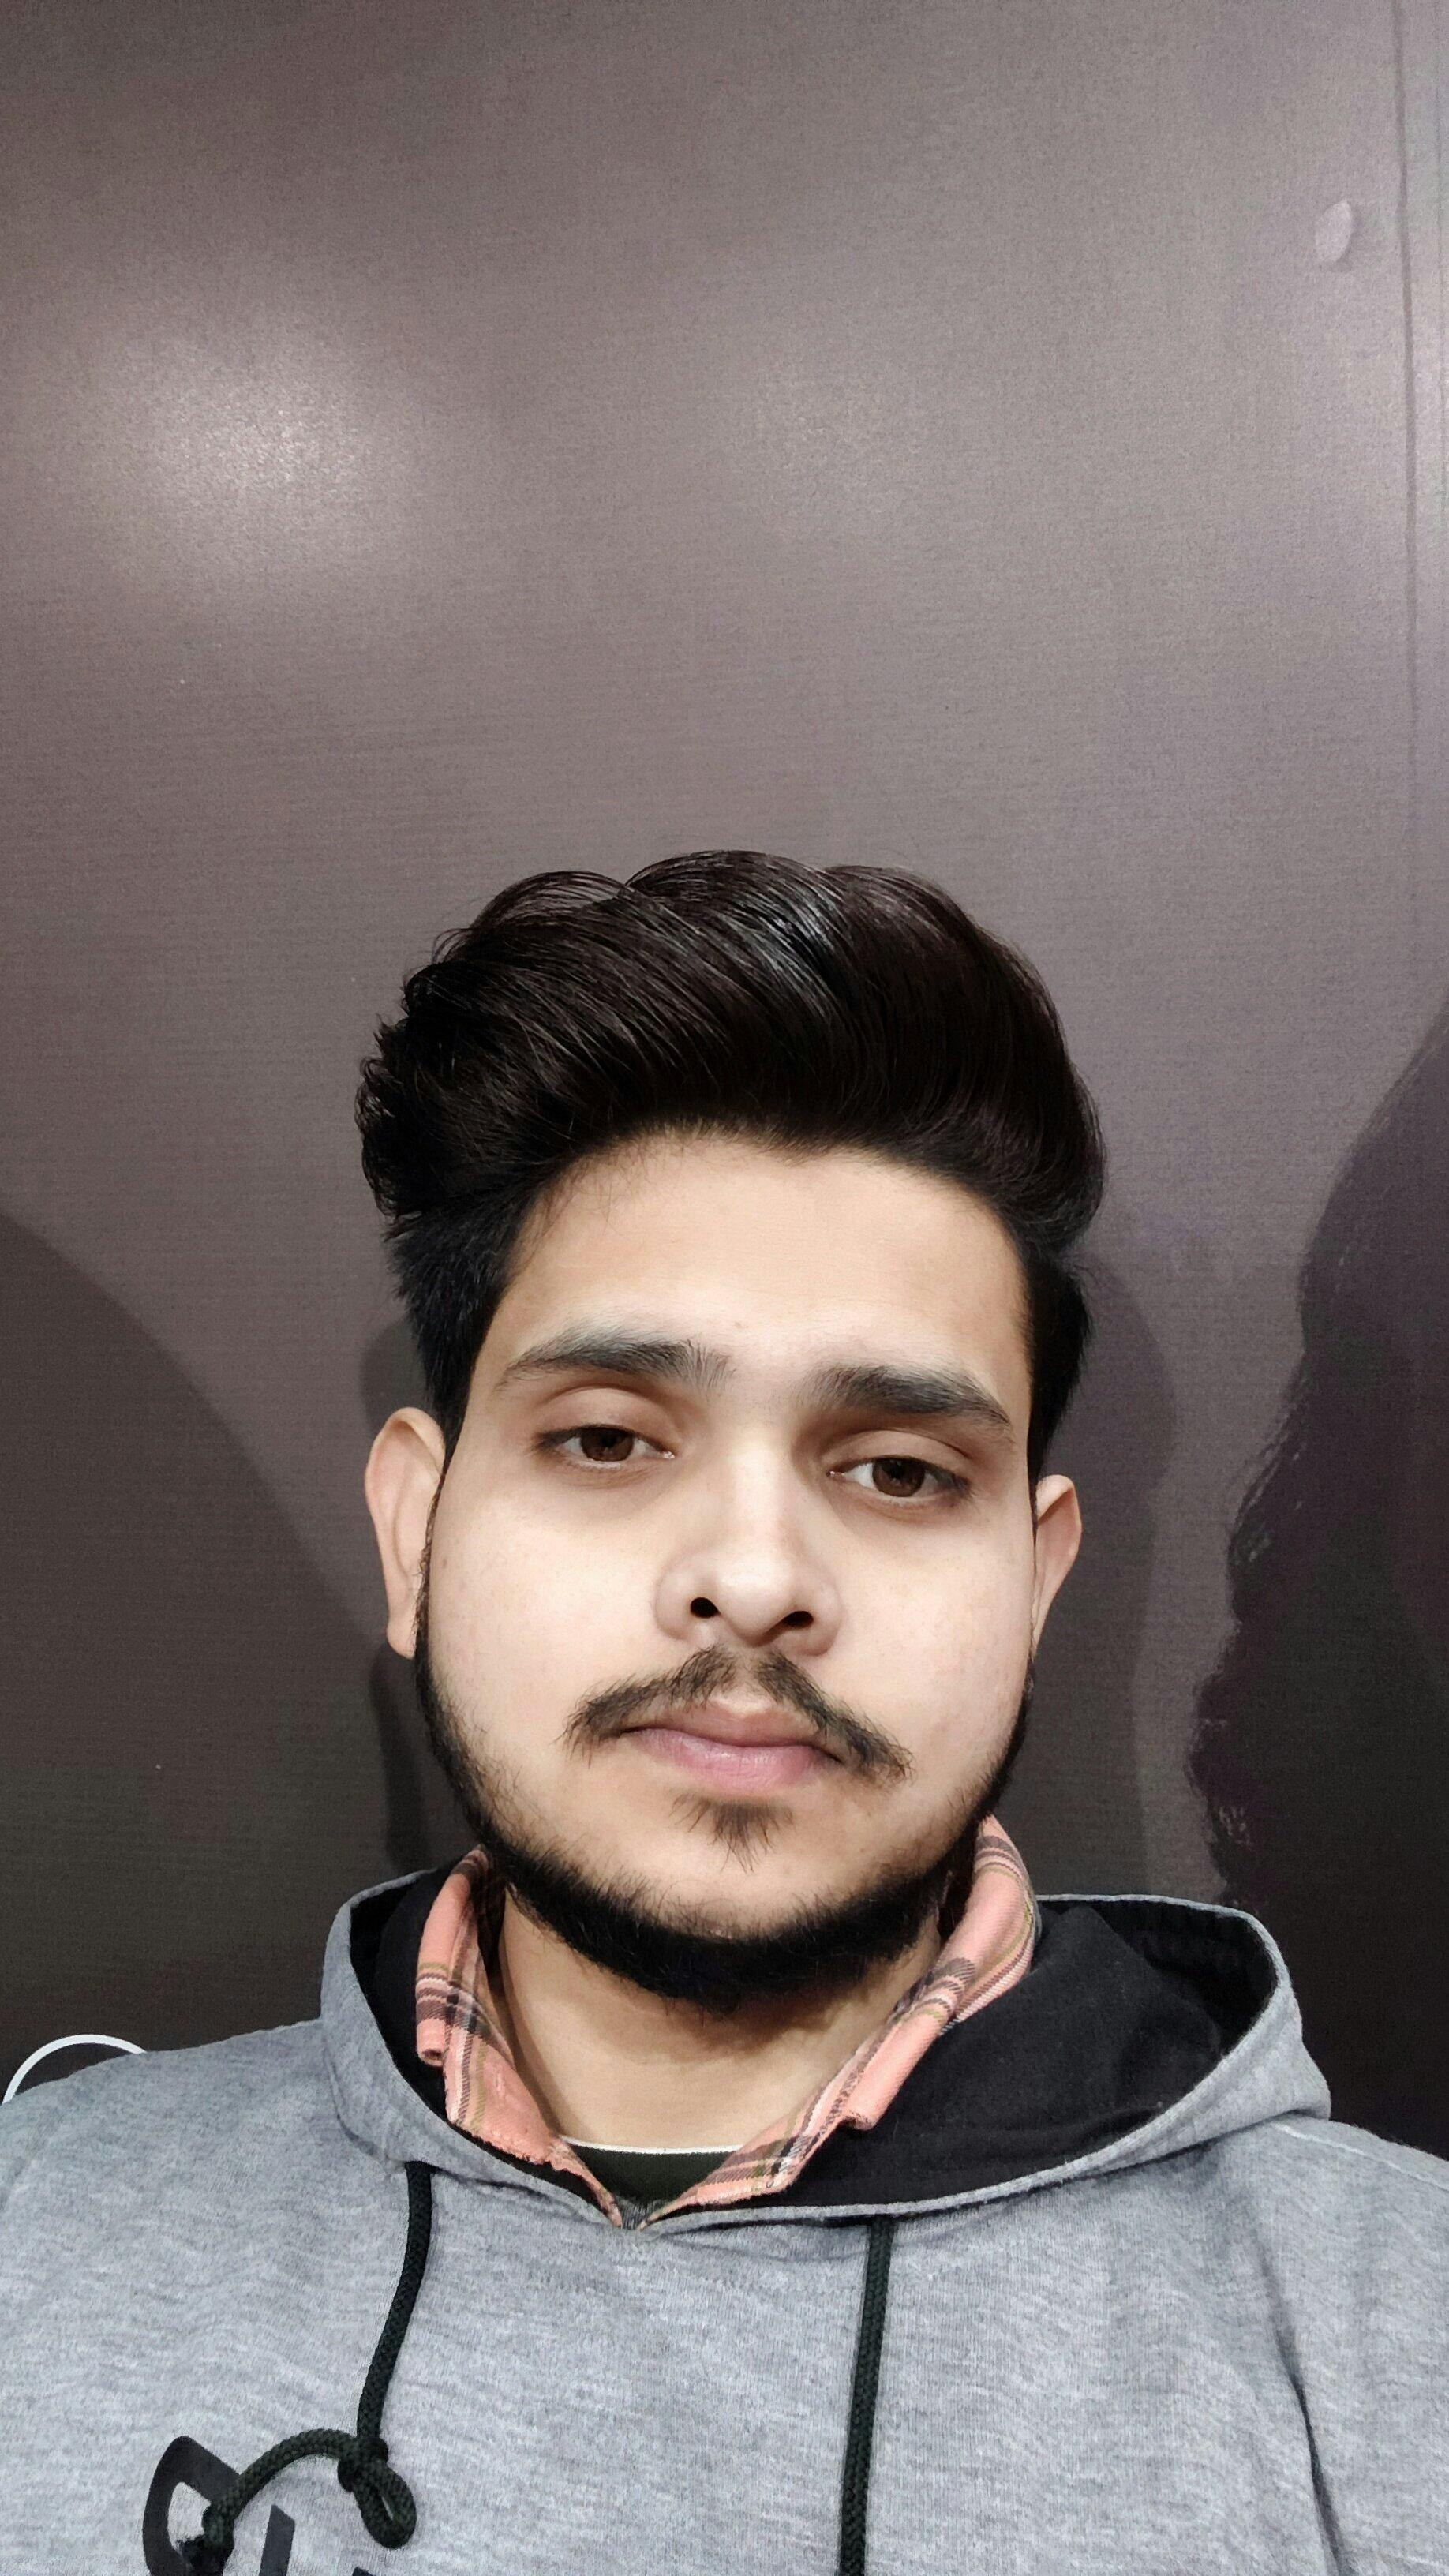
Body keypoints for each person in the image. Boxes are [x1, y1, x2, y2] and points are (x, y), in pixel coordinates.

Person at [2, 849, 1445, 2576]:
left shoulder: (1387, 2348)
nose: (755, 1578)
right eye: (609, 1439)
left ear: (1035, 1587)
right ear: (414, 1535)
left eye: (898, 1469)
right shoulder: (40, 2230)